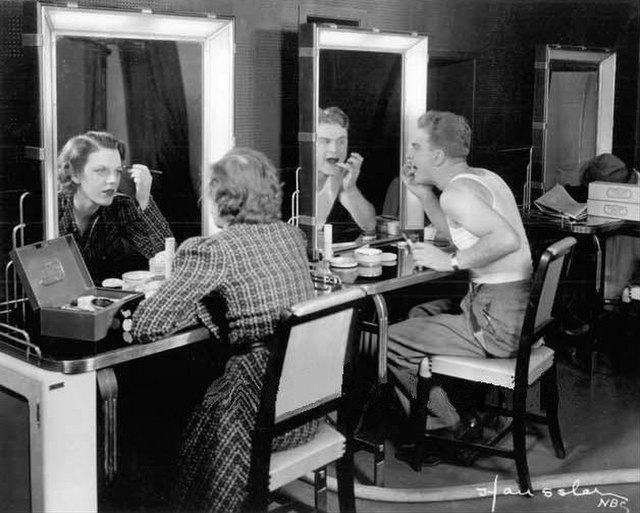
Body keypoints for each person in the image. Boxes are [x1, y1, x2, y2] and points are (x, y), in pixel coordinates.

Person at [131, 148, 318, 512]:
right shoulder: (291, 236)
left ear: (220, 198)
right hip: (308, 408)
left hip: (257, 416)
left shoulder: (212, 251)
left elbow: (148, 326)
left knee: (176, 422)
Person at [387, 111, 533, 444]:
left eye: (415, 146)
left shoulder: (456, 194)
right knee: (417, 314)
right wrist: (423, 195)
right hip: (511, 313)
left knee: (390, 341)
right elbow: (463, 234)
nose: (409, 155)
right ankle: (457, 408)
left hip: (494, 324)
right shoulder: (483, 178)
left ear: (437, 155)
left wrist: (450, 261)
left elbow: (505, 239)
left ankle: (450, 428)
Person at [57, 131, 172, 283]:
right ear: (75, 174)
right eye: (100, 171)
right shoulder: (52, 210)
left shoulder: (120, 206)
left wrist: (144, 199)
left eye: (117, 171)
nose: (112, 180)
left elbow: (166, 257)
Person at [316, 106, 376, 241]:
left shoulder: (342, 176)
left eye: (341, 141)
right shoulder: (291, 179)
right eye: (325, 142)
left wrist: (350, 189)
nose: (334, 150)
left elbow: (369, 226)